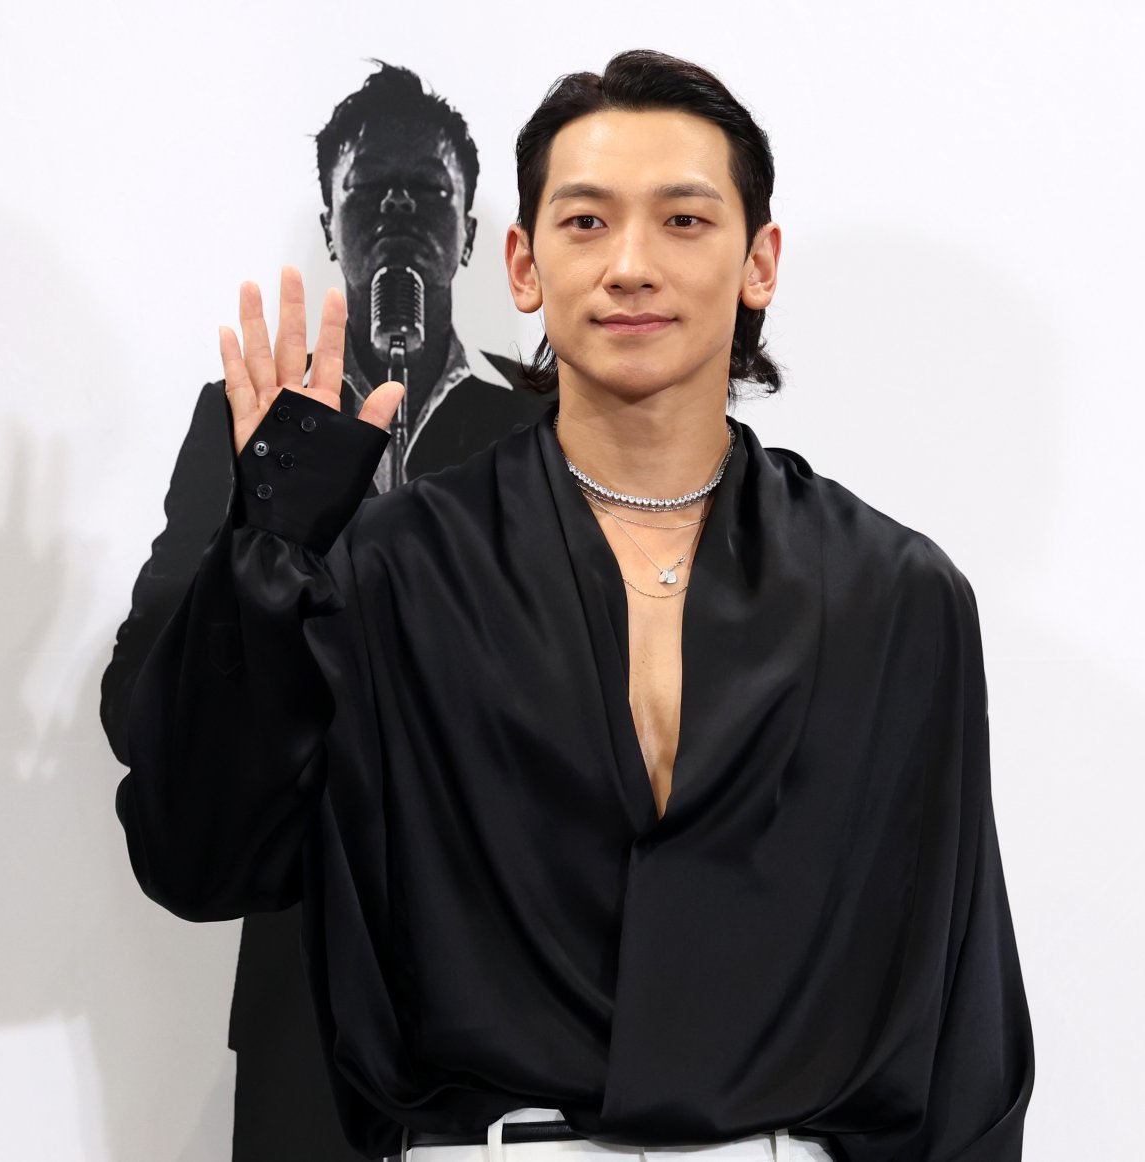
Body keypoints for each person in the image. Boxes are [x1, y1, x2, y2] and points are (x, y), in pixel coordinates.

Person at [117, 48, 1036, 1162]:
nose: (631, 267)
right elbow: (199, 860)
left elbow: (961, 1017)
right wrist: (265, 557)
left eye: (684, 222)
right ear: (522, 263)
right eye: (587, 222)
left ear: (759, 261)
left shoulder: (895, 594)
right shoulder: (391, 570)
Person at [99, 62, 551, 1161]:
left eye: (427, 193)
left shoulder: (543, 426)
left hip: (509, 995)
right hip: (306, 991)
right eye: (367, 192)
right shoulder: (250, 421)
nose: (397, 213)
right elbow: (139, 695)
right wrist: (266, 536)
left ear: (470, 232)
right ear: (328, 224)